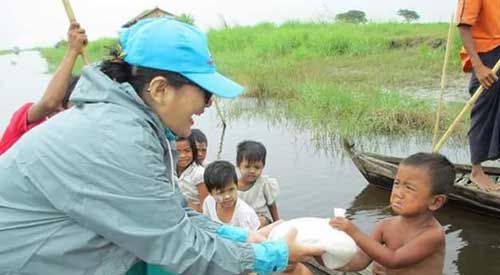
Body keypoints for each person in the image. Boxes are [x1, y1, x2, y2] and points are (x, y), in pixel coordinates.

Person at [0, 17, 323, 275]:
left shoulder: (130, 124)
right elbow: (178, 247)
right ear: (160, 89)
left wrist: (239, 236)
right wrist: (272, 256)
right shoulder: (115, 138)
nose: (208, 105)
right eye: (205, 93)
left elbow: (170, 213)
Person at [330, 152, 455, 275]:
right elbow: (361, 260)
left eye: (409, 188)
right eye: (396, 183)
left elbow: (393, 260)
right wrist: (323, 254)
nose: (398, 193)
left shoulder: (432, 235)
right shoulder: (384, 226)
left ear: (436, 201)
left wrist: (353, 231)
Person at [0, 22, 85, 155]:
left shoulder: (68, 142)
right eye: (68, 111)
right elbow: (49, 103)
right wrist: (73, 50)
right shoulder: (26, 118)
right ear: (57, 110)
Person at [456, 0, 500, 191]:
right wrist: (479, 66)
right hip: (486, 56)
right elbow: (464, 25)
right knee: (483, 110)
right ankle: (476, 171)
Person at [203, 160, 261, 230]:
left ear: (237, 186)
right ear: (210, 193)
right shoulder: (208, 202)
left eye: (231, 189)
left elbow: (252, 238)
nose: (227, 196)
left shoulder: (245, 214)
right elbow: (206, 227)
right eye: (221, 192)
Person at [237, 140, 280, 227]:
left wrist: (277, 223)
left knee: (260, 221)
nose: (252, 171)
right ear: (238, 165)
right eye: (247, 167)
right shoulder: (232, 184)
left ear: (263, 166)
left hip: (260, 218)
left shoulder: (264, 183)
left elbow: (271, 205)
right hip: (240, 219)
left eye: (257, 167)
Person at [176, 134, 208, 212]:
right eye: (178, 151)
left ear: (193, 152)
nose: (182, 155)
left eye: (187, 151)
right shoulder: (169, 169)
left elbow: (205, 208)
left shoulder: (199, 174)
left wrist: (183, 203)